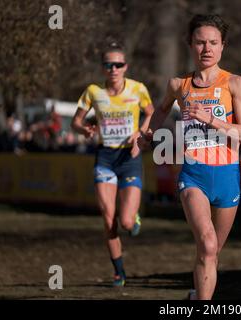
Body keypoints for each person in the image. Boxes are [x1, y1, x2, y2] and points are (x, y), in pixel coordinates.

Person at [136, 14, 241, 300]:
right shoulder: (179, 85)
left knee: (211, 252)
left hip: (227, 176)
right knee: (208, 244)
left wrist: (212, 120)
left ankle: (195, 294)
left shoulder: (235, 84)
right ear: (190, 45)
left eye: (213, 42)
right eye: (200, 42)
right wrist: (148, 133)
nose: (207, 49)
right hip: (194, 174)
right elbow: (162, 109)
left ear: (223, 46)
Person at [71, 42, 154, 287]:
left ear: (125, 67)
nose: (114, 69)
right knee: (108, 220)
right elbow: (75, 122)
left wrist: (140, 131)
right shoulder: (93, 92)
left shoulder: (138, 89)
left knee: (126, 222)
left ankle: (133, 219)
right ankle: (119, 271)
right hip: (105, 157)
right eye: (109, 65)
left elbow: (151, 113)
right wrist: (84, 129)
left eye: (118, 64)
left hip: (129, 158)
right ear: (103, 68)